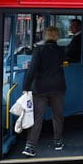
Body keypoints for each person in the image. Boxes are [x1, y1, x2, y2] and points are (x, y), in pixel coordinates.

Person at [21, 26, 67, 157]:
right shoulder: (61, 50)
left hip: (40, 87)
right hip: (58, 86)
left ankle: (30, 146)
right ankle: (58, 142)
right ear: (57, 36)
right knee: (57, 116)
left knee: (37, 117)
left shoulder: (39, 50)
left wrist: (26, 87)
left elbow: (32, 70)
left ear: (46, 35)